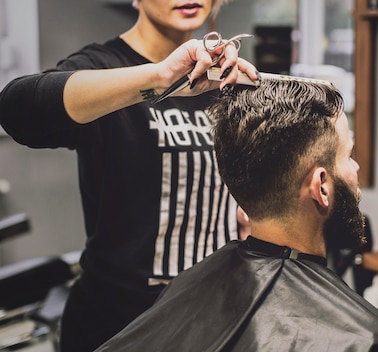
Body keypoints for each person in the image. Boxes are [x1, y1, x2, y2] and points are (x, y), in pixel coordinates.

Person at [93, 79, 378, 351]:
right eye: (349, 154)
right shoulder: (370, 341)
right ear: (321, 187)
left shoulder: (186, 287)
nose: (356, 168)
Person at [0, 1, 258, 351]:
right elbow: (17, 111)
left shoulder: (226, 79)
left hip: (211, 315)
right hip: (119, 322)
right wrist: (159, 76)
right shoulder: (104, 66)